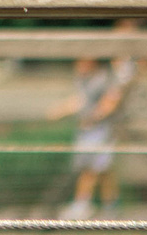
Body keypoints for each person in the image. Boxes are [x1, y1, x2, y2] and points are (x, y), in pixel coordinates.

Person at [51, 55, 135, 220]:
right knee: (102, 169)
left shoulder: (105, 78)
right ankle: (111, 206)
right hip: (89, 129)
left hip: (100, 129)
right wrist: (60, 110)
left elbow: (111, 101)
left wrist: (92, 118)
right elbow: (80, 101)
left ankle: (83, 204)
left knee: (90, 168)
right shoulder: (84, 79)